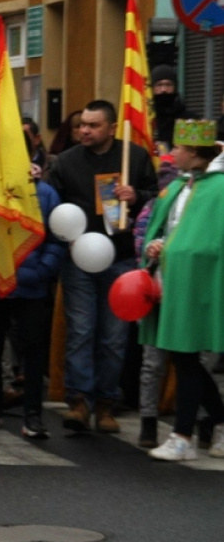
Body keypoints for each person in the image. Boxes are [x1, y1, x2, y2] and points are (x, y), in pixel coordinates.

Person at [45, 100, 159, 433]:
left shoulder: (134, 157)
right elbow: (52, 204)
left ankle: (107, 401)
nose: (84, 131)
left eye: (93, 126)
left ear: (111, 128)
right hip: (79, 257)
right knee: (81, 330)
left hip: (121, 258)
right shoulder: (66, 162)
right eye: (82, 124)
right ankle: (79, 400)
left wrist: (135, 195)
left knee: (114, 335)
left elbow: (157, 197)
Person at [140, 121, 224, 460]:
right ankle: (211, 424)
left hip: (198, 282)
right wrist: (156, 245)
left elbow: (208, 241)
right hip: (168, 278)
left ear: (193, 153)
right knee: (182, 356)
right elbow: (169, 228)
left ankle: (183, 435)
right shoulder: (177, 186)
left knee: (187, 355)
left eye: (178, 148)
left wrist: (174, 249)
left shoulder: (218, 189)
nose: (172, 153)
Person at [0, 170, 64, 437]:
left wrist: (41, 272)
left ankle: (33, 415)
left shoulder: (45, 194)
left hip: (30, 285)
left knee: (34, 350)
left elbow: (56, 237)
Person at [150, 64, 196, 147]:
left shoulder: (188, 119)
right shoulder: (147, 117)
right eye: (159, 85)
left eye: (168, 85)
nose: (164, 90)